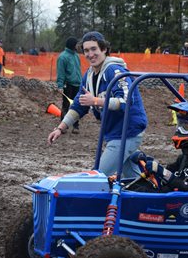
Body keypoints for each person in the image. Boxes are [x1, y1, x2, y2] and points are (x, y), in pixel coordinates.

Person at [48, 31, 147, 178]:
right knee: (132, 179)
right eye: (86, 50)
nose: (90, 54)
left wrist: (95, 100)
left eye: (94, 49)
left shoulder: (115, 71)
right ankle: (148, 195)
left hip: (127, 132)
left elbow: (126, 102)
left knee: (98, 175)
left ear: (104, 49)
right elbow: (78, 105)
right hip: (114, 132)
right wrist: (60, 128)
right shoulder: (88, 75)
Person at [56, 37, 82, 132]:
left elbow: (78, 70)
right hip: (68, 85)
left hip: (77, 84)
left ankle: (76, 126)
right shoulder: (63, 57)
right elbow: (61, 73)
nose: (78, 46)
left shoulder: (76, 56)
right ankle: (63, 126)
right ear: (72, 45)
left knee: (77, 105)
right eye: (76, 44)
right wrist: (60, 85)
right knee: (66, 105)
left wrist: (81, 82)